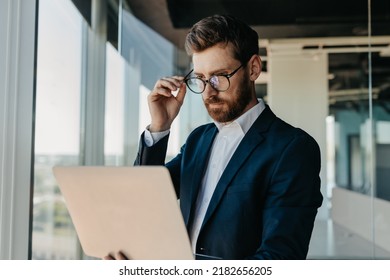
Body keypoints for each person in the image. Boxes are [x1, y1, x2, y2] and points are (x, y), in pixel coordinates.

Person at [105, 14, 323, 260]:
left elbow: (280, 257)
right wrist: (160, 126)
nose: (208, 92)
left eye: (220, 77)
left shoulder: (292, 148)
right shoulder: (200, 139)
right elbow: (143, 197)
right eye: (201, 79)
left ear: (253, 68)